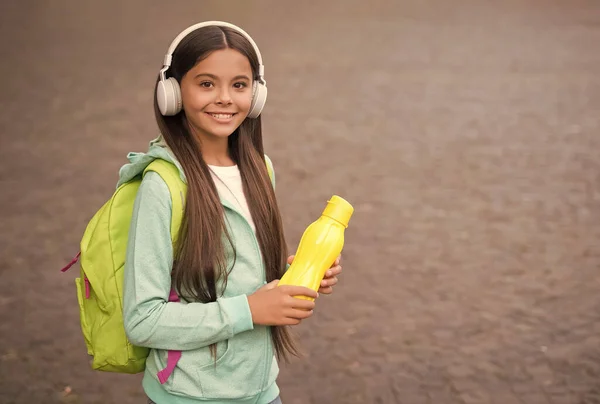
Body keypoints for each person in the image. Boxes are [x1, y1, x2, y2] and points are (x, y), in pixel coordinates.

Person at [120, 21, 343, 404]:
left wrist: (298, 276)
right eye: (206, 84)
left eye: (239, 85)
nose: (225, 98)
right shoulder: (164, 186)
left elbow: (242, 274)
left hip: (260, 389)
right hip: (191, 394)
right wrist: (250, 310)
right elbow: (143, 320)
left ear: (256, 95)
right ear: (172, 92)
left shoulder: (260, 168)